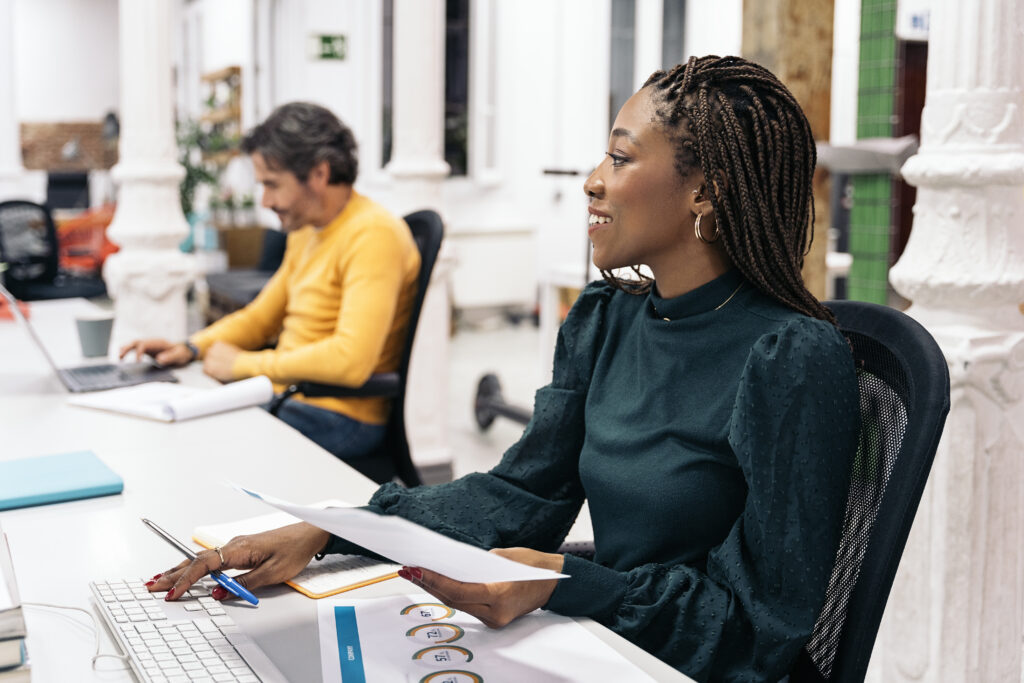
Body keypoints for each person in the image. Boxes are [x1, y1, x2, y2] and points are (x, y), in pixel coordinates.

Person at [148, 56, 860, 681]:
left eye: (619, 159)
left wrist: (562, 581)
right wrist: (338, 530)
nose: (593, 182)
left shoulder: (790, 359)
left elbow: (757, 630)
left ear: (705, 191)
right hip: (604, 643)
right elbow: (523, 493)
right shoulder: (606, 320)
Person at [121, 102, 421, 461]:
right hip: (290, 397)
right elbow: (260, 318)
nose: (265, 201)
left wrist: (242, 365)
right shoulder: (307, 230)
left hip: (340, 416)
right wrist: (191, 347)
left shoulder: (374, 234)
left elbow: (350, 360)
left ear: (319, 174)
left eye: (272, 185)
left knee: (190, 443)